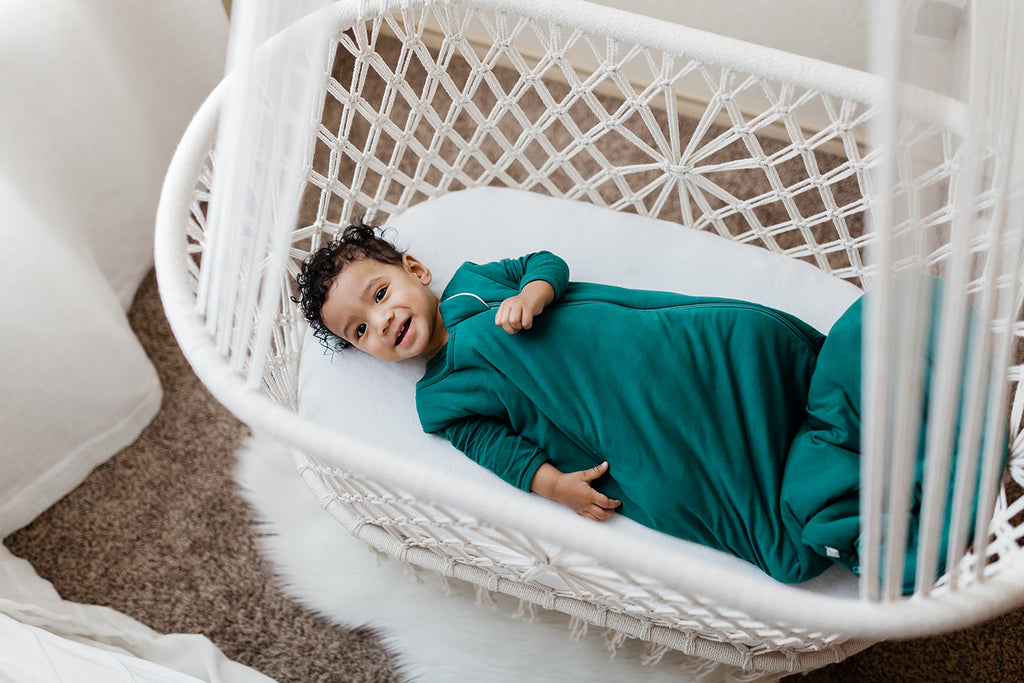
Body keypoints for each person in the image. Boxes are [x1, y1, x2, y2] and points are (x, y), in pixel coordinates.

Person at [296, 222, 994, 590]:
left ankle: (874, 421)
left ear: (414, 272)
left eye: (379, 295)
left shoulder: (478, 284)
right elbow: (500, 449)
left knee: (770, 357)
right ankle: (854, 503)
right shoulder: (440, 400)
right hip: (644, 436)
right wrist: (554, 484)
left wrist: (535, 293)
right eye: (360, 330)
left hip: (683, 354)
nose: (381, 322)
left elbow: (546, 262)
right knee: (746, 502)